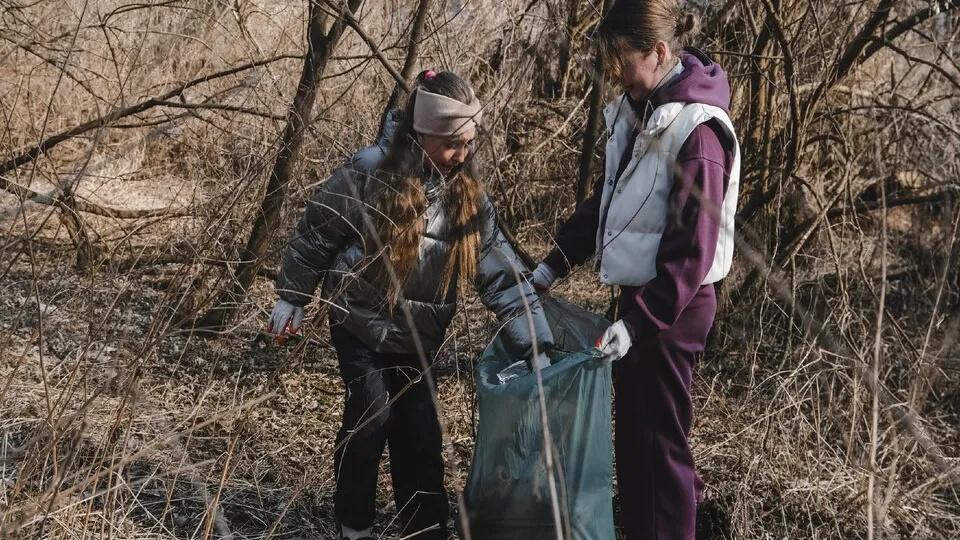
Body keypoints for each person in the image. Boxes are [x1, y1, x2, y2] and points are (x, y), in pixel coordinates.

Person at [267, 70, 554, 540]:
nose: (462, 154)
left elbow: (501, 275)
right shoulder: (369, 170)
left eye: (468, 142)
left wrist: (536, 343)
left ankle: (424, 529)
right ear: (421, 134)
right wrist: (291, 297)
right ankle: (354, 523)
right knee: (371, 416)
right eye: (451, 143)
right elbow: (318, 231)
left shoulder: (469, 200)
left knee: (420, 431)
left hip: (417, 337)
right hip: (357, 322)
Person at [529, 1, 740, 538]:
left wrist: (638, 322)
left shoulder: (699, 133)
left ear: (660, 52)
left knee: (659, 442)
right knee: (639, 439)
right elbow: (606, 200)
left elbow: (691, 254)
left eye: (623, 57)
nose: (615, 70)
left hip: (674, 311)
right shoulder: (641, 108)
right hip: (638, 304)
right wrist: (554, 263)